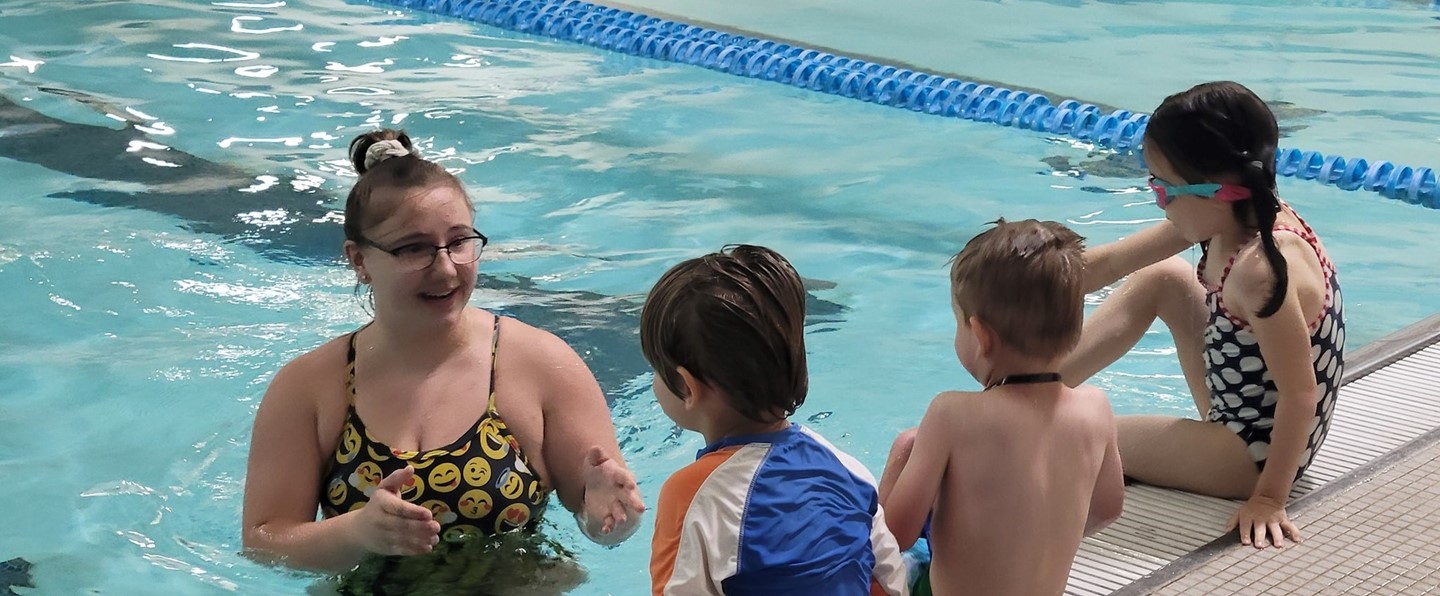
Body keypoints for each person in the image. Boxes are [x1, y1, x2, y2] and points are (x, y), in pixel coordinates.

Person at [241, 130, 645, 586]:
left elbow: (599, 527)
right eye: (413, 248)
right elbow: (263, 544)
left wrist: (614, 518)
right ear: (359, 261)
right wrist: (357, 533)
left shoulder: (542, 366)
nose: (447, 267)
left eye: (459, 242)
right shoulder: (310, 387)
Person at [1061, 81, 1345, 549]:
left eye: (1163, 188)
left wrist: (1270, 497)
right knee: (1165, 277)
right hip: (1239, 409)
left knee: (1080, 433)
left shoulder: (1260, 271)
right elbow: (1107, 265)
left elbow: (1300, 393)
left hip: (1249, 454)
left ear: (1219, 191)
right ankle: (1031, 389)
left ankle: (1031, 411)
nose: (1158, 200)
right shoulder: (1240, 216)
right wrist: (1020, 283)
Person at [641, 245, 909, 596]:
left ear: (687, 387)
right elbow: (890, 582)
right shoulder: (847, 468)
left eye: (656, 371)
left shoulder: (690, 495)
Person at [878, 219, 1125, 596]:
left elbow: (895, 534)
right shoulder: (1096, 408)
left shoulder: (951, 414)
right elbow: (1108, 507)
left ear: (980, 336)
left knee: (904, 450)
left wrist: (899, 465)